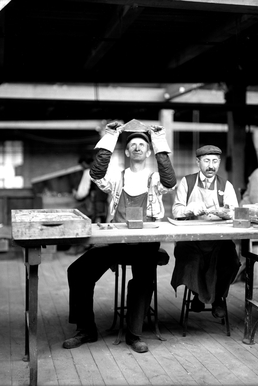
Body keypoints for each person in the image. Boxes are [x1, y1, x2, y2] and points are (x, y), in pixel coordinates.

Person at [63, 121, 176, 354]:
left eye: (141, 144)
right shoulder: (117, 178)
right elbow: (96, 175)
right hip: (116, 241)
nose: (137, 147)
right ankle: (86, 329)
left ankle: (134, 334)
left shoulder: (154, 180)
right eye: (132, 144)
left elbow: (169, 181)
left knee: (143, 280)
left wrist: (159, 140)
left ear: (148, 151)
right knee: (78, 271)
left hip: (145, 244)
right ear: (126, 151)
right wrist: (110, 137)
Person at [170, 145, 240, 319]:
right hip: (191, 240)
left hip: (218, 240)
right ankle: (197, 294)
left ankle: (217, 298)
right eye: (207, 161)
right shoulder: (187, 182)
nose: (211, 166)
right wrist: (189, 210)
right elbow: (175, 211)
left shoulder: (226, 185)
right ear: (198, 162)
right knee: (191, 260)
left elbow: (236, 212)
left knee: (231, 261)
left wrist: (224, 212)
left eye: (215, 161)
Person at [73, 153, 108, 224]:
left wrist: (76, 194)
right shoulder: (103, 171)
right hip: (104, 205)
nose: (82, 168)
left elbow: (82, 193)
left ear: (84, 163)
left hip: (93, 205)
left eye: (82, 165)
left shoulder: (88, 172)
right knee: (100, 226)